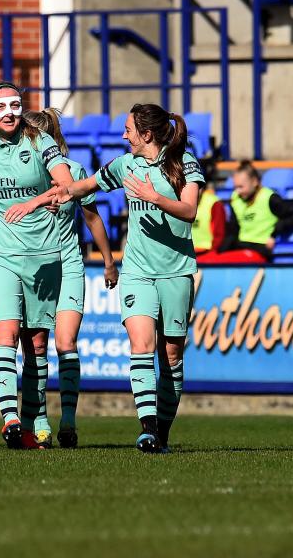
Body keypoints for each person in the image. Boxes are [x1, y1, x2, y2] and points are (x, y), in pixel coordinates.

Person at [55, 103, 204, 453]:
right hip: (136, 271)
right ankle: (148, 428)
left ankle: (162, 432)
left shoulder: (184, 164)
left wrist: (154, 198)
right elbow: (88, 184)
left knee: (171, 356)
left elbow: (190, 211)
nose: (123, 135)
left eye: (128, 129)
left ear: (146, 134)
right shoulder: (125, 165)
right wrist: (62, 192)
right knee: (141, 346)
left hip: (177, 271)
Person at [0, 82, 74, 449]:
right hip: (0, 256)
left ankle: (33, 423)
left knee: (37, 343)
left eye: (14, 105)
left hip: (44, 256)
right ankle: (11, 419)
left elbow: (67, 185)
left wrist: (33, 202)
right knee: (6, 336)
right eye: (0, 107)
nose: (9, 112)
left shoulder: (41, 143)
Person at [22, 108, 118, 448]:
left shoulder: (73, 172)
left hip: (68, 265)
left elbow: (92, 219)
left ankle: (68, 420)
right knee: (34, 346)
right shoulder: (16, 173)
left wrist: (108, 261)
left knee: (65, 343)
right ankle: (39, 421)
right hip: (31, 268)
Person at [221, 160, 293, 261]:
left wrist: (274, 234)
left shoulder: (269, 198)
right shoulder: (235, 198)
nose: (237, 191)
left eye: (241, 187)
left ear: (254, 182)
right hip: (240, 246)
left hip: (260, 248)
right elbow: (233, 229)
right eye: (235, 187)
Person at [191, 162, 226, 258]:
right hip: (185, 255)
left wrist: (211, 254)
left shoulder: (214, 204)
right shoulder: (176, 201)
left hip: (207, 254)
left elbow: (219, 236)